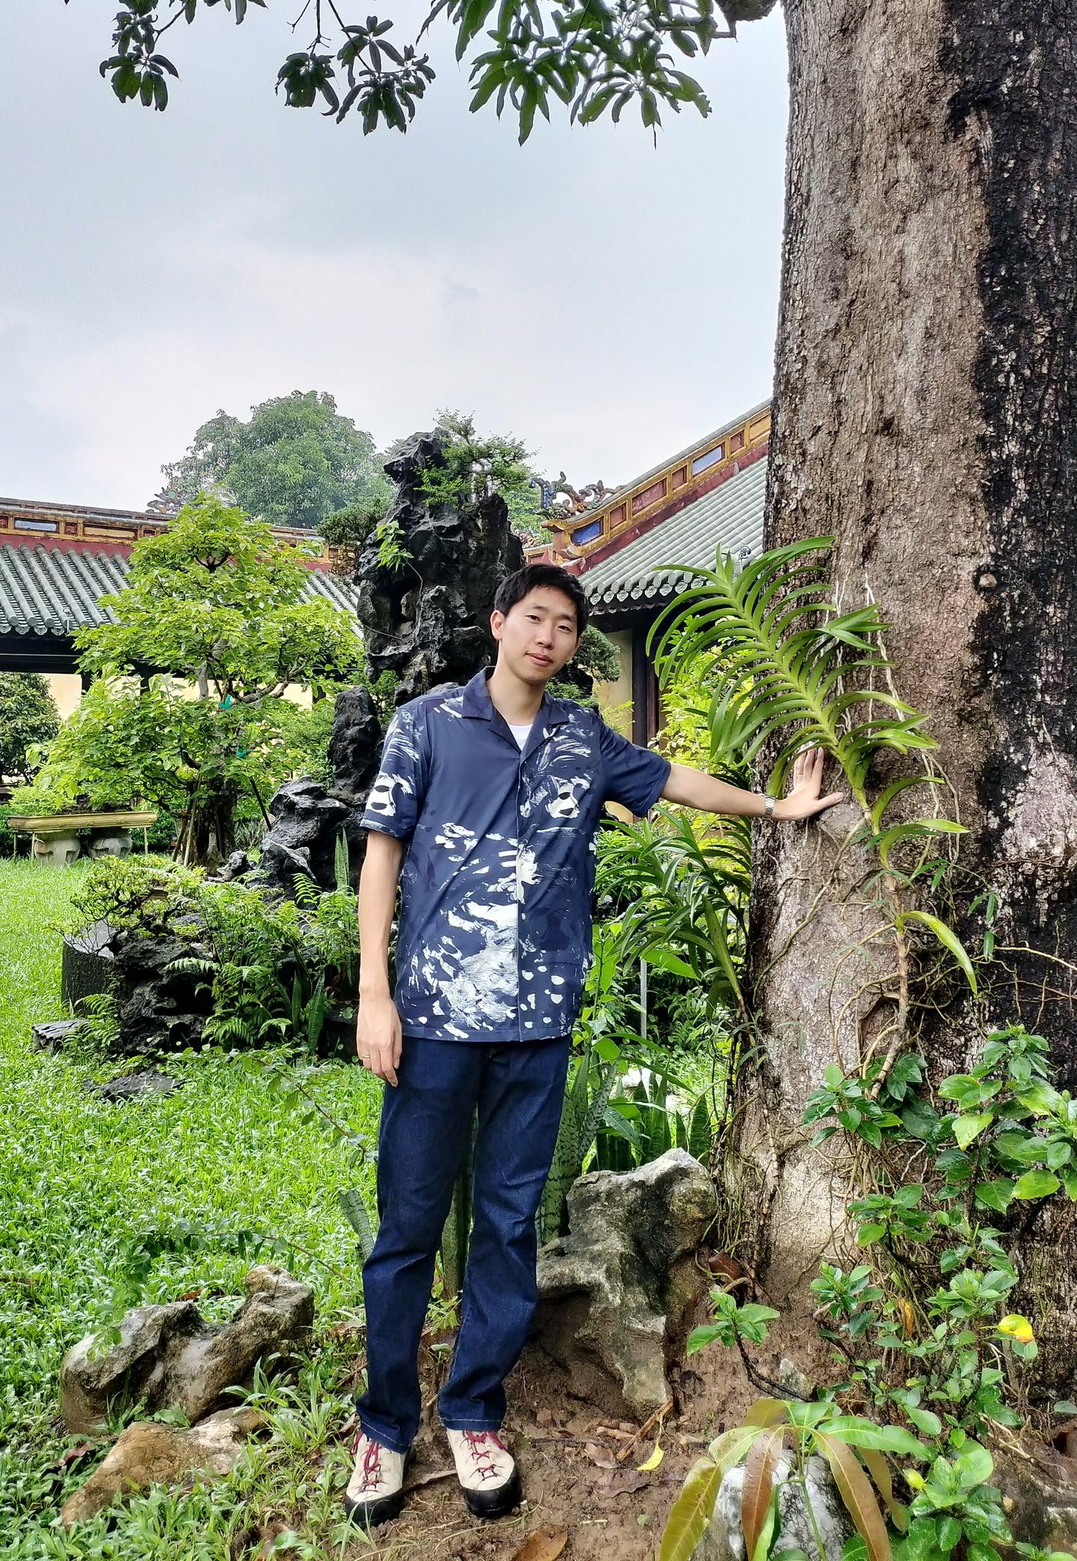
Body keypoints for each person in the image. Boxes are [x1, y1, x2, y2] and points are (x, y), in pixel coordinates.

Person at [343, 564, 843, 1526]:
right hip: (435, 1017)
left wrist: (773, 808)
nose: (548, 637)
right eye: (534, 618)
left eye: (566, 626)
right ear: (500, 623)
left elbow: (673, 781)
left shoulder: (582, 737)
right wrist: (374, 995)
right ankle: (385, 1426)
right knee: (407, 1226)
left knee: (508, 1222)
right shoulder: (428, 725)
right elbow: (382, 854)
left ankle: (474, 1412)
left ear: (575, 644)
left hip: (537, 1022)